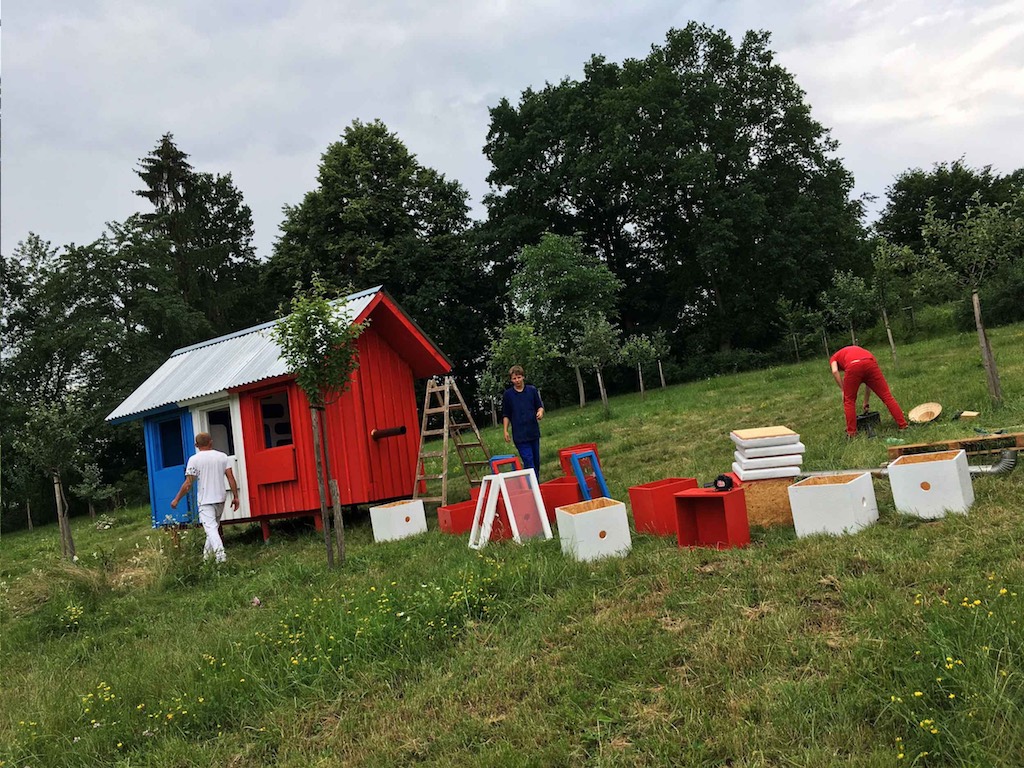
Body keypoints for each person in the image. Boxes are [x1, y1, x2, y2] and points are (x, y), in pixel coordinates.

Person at [170, 432, 240, 562]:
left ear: (196, 445)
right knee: (212, 528)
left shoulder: (194, 459)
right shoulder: (222, 457)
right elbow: (231, 478)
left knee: (211, 530)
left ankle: (221, 558)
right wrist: (235, 496)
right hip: (221, 498)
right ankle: (206, 559)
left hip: (205, 500)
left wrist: (177, 499)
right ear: (211, 442)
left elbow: (188, 483)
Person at [829, 345, 909, 437]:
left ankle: (851, 433)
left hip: (853, 366)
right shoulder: (857, 350)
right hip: (870, 362)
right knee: (886, 396)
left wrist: (843, 389)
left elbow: (835, 371)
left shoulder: (834, 358)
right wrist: (866, 402)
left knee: (849, 401)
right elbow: (868, 384)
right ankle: (903, 425)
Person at [502, 365, 545, 472]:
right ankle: (531, 486)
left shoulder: (532, 390)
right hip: (520, 435)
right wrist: (505, 430)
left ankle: (536, 485)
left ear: (523, 377)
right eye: (514, 378)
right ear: (511, 380)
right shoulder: (508, 395)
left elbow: (539, 406)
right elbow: (506, 414)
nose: (517, 380)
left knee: (536, 462)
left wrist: (540, 412)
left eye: (519, 377)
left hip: (533, 432)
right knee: (528, 461)